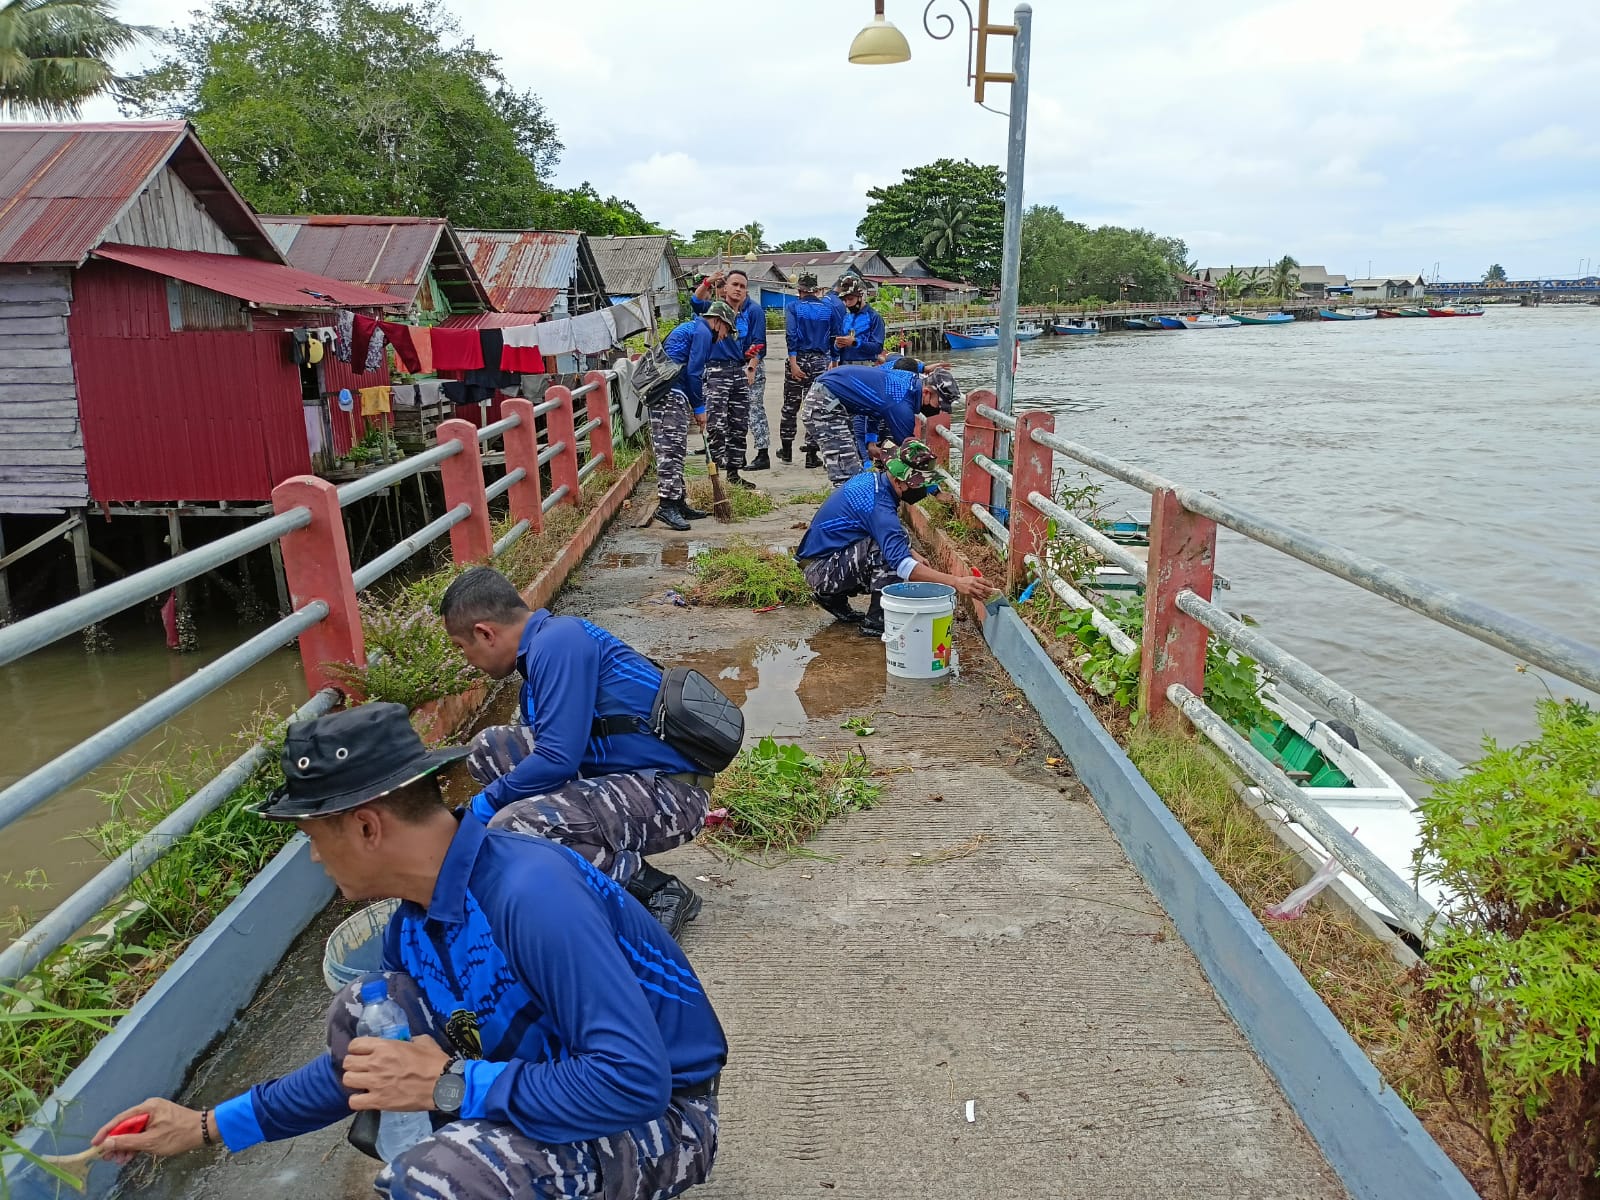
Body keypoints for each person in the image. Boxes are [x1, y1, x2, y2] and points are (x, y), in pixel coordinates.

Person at [90, 701, 726, 1200]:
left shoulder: (533, 896)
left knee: (436, 1179)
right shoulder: (414, 926)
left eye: (315, 836)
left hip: (664, 1119)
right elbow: (364, 1068)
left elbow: (634, 1082)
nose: (314, 855)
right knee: (364, 1013)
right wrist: (204, 1126)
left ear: (367, 826)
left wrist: (449, 1086)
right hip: (556, 1074)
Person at [442, 566, 712, 933]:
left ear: (485, 632)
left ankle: (655, 890)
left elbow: (556, 759)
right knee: (489, 749)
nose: (466, 660)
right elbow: (547, 753)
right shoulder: (543, 648)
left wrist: (480, 808)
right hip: (630, 777)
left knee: (515, 822)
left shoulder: (558, 643)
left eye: (462, 648)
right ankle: (563, 863)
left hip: (673, 793)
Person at [795, 440, 995, 635]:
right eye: (920, 485)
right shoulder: (880, 508)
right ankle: (876, 620)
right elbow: (903, 565)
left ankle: (833, 597)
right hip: (819, 570)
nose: (924, 491)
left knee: (899, 542)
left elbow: (883, 531)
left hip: (818, 561)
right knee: (889, 557)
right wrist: (957, 582)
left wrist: (910, 549)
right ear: (900, 481)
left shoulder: (875, 483)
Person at [648, 304, 738, 531]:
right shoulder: (703, 332)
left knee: (677, 449)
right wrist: (699, 408)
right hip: (668, 395)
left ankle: (678, 501)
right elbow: (694, 373)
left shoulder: (695, 328)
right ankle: (666, 506)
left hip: (674, 394)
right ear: (718, 322)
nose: (725, 337)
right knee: (669, 450)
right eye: (727, 330)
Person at [801, 362, 961, 486]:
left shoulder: (909, 379)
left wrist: (871, 442)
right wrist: (935, 490)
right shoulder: (901, 405)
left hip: (829, 398)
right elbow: (912, 453)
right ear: (926, 392)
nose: (939, 410)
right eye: (939, 404)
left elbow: (875, 408)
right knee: (847, 474)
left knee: (853, 469)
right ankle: (848, 520)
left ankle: (853, 516)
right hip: (824, 406)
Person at [691, 268, 765, 485]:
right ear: (725, 288)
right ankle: (714, 476)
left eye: (743, 286)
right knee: (716, 424)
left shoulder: (745, 316)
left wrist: (750, 360)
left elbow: (752, 345)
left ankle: (733, 473)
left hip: (738, 371)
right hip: (716, 371)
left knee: (739, 424)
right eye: (735, 285)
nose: (739, 290)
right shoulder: (713, 309)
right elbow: (695, 302)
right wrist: (707, 283)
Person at [781, 271, 843, 469]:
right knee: (815, 407)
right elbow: (835, 338)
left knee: (790, 405)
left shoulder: (793, 307)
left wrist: (793, 363)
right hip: (820, 361)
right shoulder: (829, 309)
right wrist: (833, 361)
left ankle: (787, 450)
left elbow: (791, 335)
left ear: (799, 289)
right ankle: (811, 453)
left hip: (797, 357)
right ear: (816, 290)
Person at [831, 277, 885, 368]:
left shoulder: (874, 317)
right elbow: (836, 346)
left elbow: (878, 347)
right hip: (844, 365)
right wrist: (837, 346)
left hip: (865, 366)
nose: (848, 303)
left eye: (850, 299)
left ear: (861, 296)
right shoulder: (846, 317)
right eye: (845, 300)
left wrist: (855, 343)